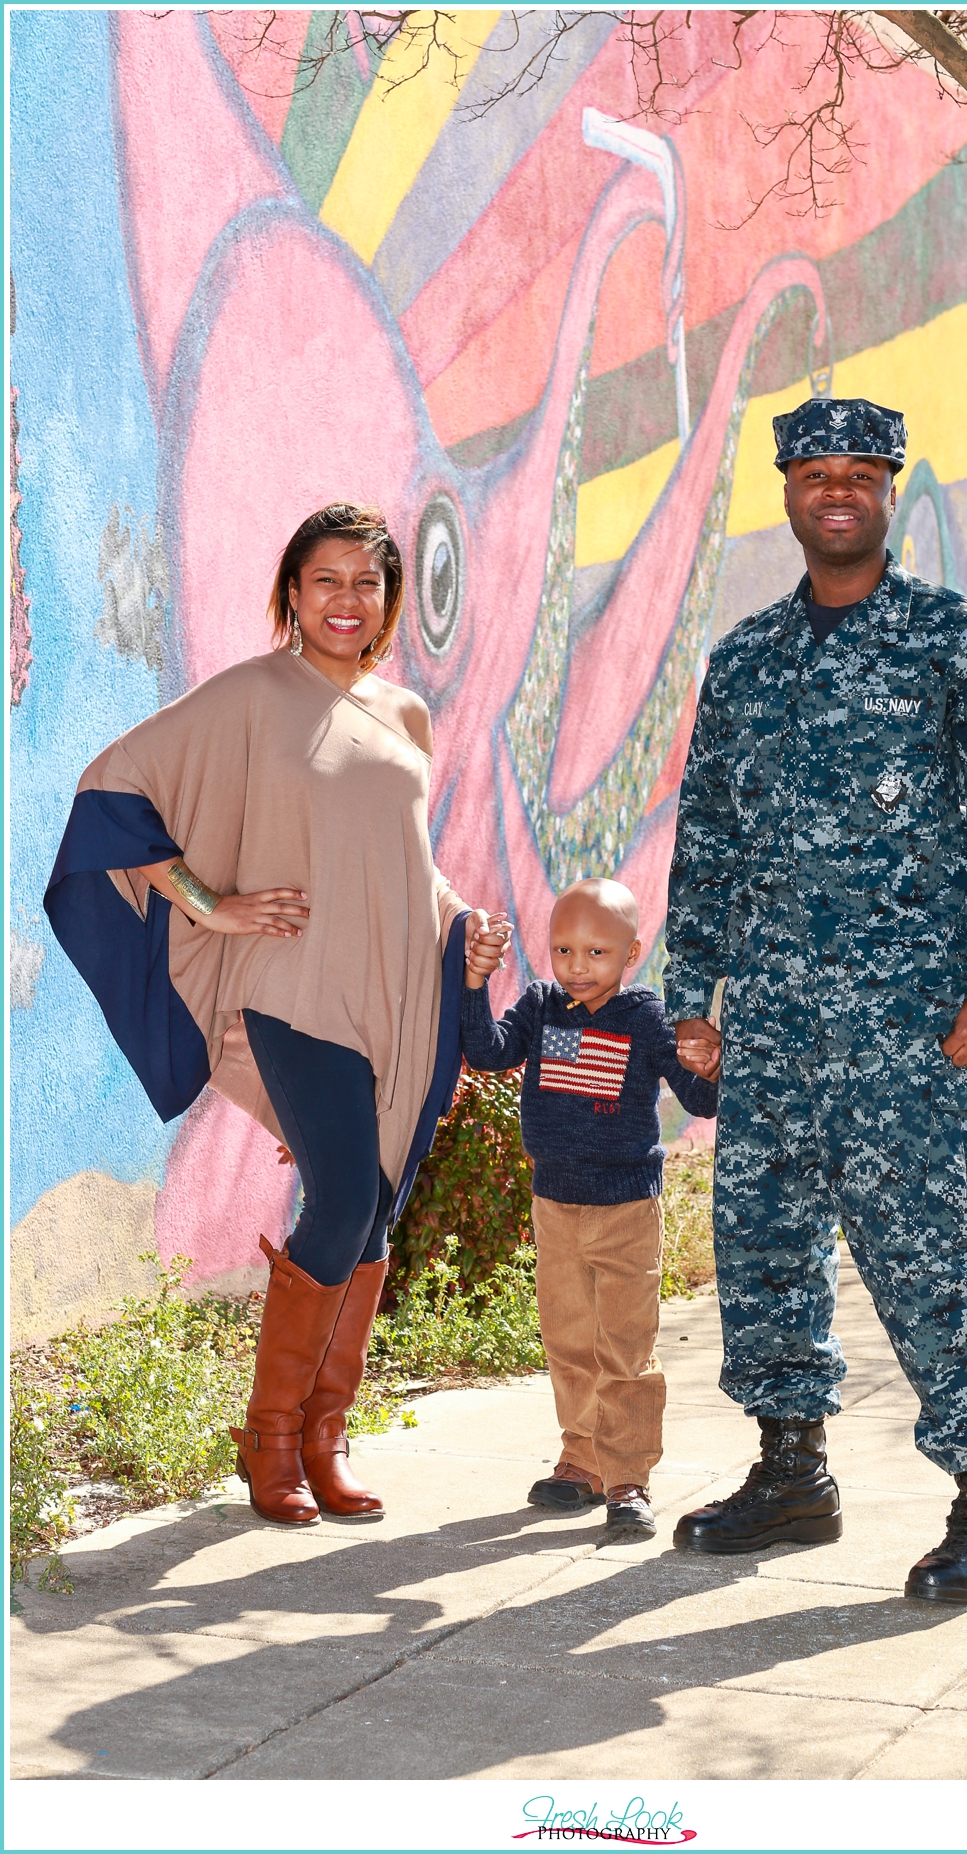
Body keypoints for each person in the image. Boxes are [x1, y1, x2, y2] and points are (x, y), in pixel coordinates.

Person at [664, 398, 967, 1602]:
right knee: (767, 1250)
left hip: (909, 1030)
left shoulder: (955, 645)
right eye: (812, 472)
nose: (834, 490)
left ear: (890, 487)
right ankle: (793, 1473)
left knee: (937, 1259)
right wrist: (695, 997)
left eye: (859, 472)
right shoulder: (744, 660)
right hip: (777, 1027)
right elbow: (710, 841)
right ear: (786, 491)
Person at [45, 504, 492, 1528]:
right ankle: (272, 1440)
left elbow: (406, 867)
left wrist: (465, 924)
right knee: (340, 1198)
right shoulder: (250, 696)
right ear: (293, 591)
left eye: (367, 583)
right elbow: (112, 791)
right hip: (290, 988)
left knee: (372, 1208)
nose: (348, 600)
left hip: (402, 990)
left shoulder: (407, 716)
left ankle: (326, 1438)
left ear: (388, 602)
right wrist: (214, 905)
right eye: (326, 579)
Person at [460, 879, 720, 1540]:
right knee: (570, 1338)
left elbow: (701, 1101)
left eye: (597, 952)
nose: (578, 965)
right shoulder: (542, 1007)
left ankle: (629, 1475)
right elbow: (488, 1053)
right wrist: (471, 984)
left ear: (631, 954)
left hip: (627, 1206)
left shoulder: (644, 1017)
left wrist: (712, 1064)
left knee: (624, 1347)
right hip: (556, 1204)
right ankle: (581, 1461)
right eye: (564, 949)